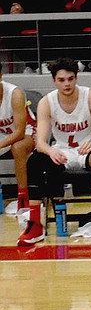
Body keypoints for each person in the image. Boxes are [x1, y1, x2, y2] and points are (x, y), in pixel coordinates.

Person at [23, 58, 91, 245]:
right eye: (61, 80)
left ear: (76, 78)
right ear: (54, 81)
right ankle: (34, 224)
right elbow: (40, 143)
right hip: (61, 152)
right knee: (34, 161)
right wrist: (50, 151)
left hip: (87, 150)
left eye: (70, 79)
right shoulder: (46, 102)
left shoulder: (90, 96)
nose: (66, 84)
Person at [0, 65, 36, 217]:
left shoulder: (15, 94)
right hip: (3, 133)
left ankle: (23, 196)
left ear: (0, 76)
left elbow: (19, 132)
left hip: (27, 131)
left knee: (18, 147)